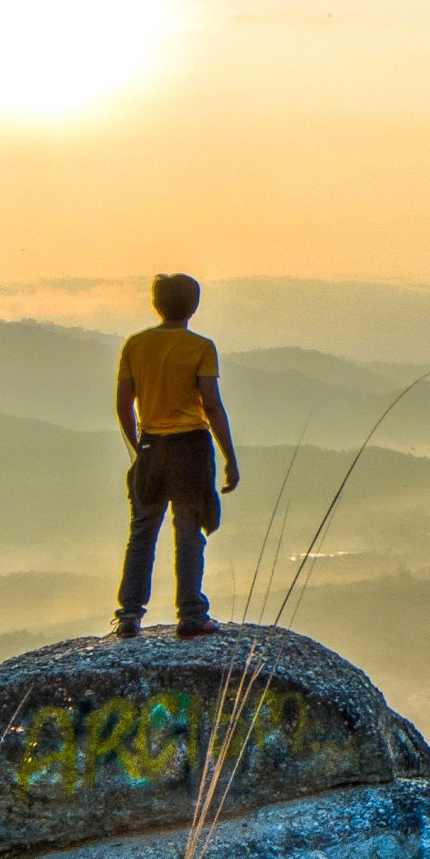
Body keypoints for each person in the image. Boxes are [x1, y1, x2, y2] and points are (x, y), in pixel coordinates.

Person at [114, 272, 241, 639]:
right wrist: (229, 457)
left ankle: (129, 615)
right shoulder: (200, 347)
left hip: (152, 446)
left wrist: (138, 446)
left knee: (142, 532)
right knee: (189, 532)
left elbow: (124, 403)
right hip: (191, 449)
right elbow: (212, 405)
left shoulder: (135, 346)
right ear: (194, 305)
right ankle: (191, 614)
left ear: (157, 304)